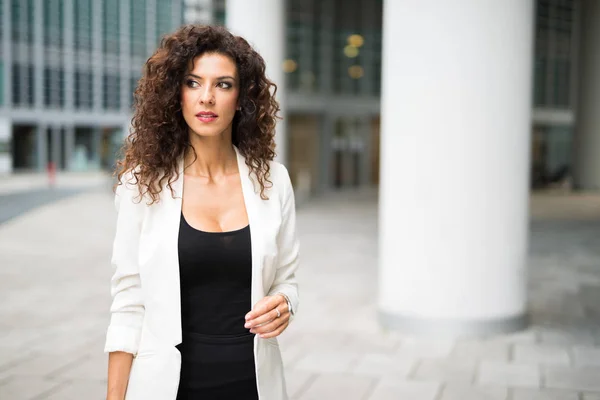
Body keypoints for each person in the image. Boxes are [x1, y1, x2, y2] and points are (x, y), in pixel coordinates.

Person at [104, 24, 300, 400]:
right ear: (175, 93)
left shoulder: (275, 182)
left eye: (223, 84)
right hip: (168, 386)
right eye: (193, 83)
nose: (207, 97)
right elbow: (128, 304)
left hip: (253, 384)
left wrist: (284, 305)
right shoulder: (141, 185)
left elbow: (286, 281)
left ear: (242, 97)